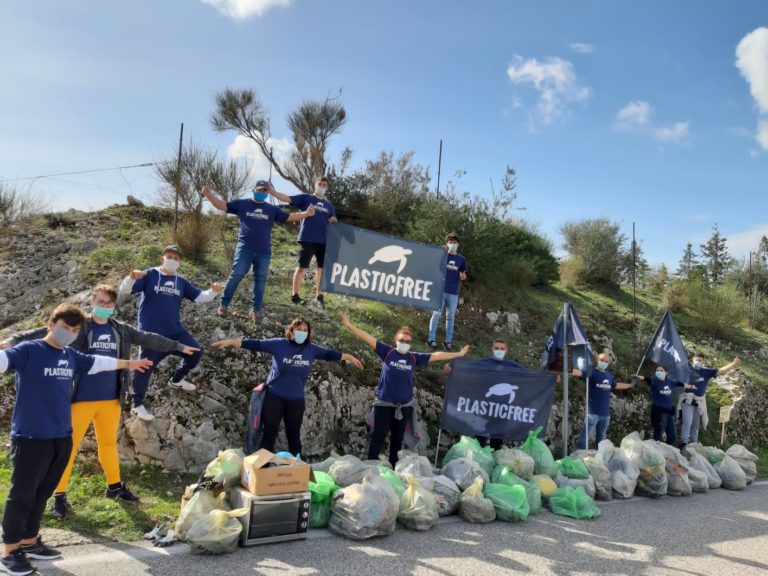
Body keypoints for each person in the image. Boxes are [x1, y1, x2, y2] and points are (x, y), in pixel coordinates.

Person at [1, 284, 199, 519]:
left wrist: (178, 347)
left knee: (107, 445)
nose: (104, 307)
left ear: (114, 306)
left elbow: (148, 338)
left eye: (109, 303)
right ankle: (59, 495)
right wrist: (12, 340)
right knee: (68, 449)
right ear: (92, 302)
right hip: (79, 399)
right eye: (100, 302)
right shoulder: (78, 326)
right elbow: (39, 334)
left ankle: (114, 487)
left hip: (111, 399)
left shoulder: (120, 329)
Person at [0, 303, 152, 576]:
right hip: (31, 437)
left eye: (73, 330)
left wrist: (129, 363)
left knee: (43, 492)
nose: (68, 333)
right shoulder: (29, 351)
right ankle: (10, 552)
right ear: (50, 324)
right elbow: (4, 360)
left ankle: (30, 541)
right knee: (22, 495)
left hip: (61, 436)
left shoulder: (71, 356)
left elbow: (99, 363)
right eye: (64, 328)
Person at [211, 318, 363, 456]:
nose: (302, 333)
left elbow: (330, 354)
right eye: (298, 329)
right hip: (274, 397)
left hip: (296, 400)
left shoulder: (311, 349)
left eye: (305, 330)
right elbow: (255, 344)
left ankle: (297, 471)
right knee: (269, 433)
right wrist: (230, 342)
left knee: (294, 435)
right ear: (291, 331)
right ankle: (263, 470)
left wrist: (350, 357)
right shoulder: (279, 344)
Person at [341, 312, 469, 467]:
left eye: (407, 341)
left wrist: (459, 353)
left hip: (404, 407)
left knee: (397, 441)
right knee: (377, 438)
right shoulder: (387, 352)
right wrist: (349, 325)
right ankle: (370, 469)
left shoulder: (413, 358)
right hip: (384, 404)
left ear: (411, 344)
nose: (404, 343)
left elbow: (437, 355)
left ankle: (394, 471)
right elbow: (367, 337)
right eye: (402, 340)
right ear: (396, 340)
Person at [117, 244, 222, 422]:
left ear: (180, 261)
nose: (172, 260)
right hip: (151, 333)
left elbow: (200, 297)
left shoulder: (181, 281)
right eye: (170, 256)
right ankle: (137, 404)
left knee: (196, 352)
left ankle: (176, 379)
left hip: (175, 331)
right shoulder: (150, 274)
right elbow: (125, 290)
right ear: (162, 258)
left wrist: (213, 291)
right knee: (144, 367)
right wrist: (130, 278)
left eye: (176, 258)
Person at [202, 181, 316, 322]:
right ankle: (223, 306)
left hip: (264, 251)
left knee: (260, 280)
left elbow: (288, 217)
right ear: (254, 190)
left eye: (265, 191)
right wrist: (209, 195)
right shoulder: (242, 204)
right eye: (260, 190)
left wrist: (306, 213)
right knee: (236, 274)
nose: (262, 192)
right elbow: (223, 206)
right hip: (245, 248)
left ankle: (255, 311)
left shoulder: (271, 209)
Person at [267, 177, 337, 309]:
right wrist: (272, 192)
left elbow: (333, 219)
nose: (322, 186)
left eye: (324, 185)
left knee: (321, 270)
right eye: (320, 184)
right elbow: (287, 198)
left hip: (324, 241)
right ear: (315, 185)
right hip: (308, 239)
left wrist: (333, 219)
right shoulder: (306, 198)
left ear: (327, 188)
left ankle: (319, 296)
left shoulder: (329, 205)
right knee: (302, 267)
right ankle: (295, 296)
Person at [573, 352, 634, 449]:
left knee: (601, 439)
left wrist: (630, 385)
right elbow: (579, 372)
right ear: (597, 360)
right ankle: (582, 457)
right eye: (602, 360)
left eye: (606, 361)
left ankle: (598, 460)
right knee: (585, 437)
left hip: (605, 415)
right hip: (592, 413)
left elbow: (617, 385)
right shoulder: (591, 372)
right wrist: (563, 368)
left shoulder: (609, 376)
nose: (604, 362)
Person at [679, 352, 740, 448]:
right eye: (696, 360)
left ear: (703, 362)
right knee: (687, 422)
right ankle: (683, 444)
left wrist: (733, 364)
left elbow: (721, 371)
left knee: (695, 425)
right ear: (692, 360)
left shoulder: (706, 372)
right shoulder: (686, 369)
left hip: (699, 402)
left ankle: (693, 445)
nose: (698, 362)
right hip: (687, 400)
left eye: (700, 361)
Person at [427, 232, 467, 351]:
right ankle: (431, 339)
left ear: (458, 244)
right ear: (447, 243)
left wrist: (463, 276)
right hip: (440, 290)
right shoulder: (442, 255)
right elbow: (434, 268)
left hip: (453, 292)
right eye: (450, 242)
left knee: (451, 318)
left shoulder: (461, 259)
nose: (452, 244)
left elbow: (463, 276)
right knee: (436, 315)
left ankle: (447, 342)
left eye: (454, 242)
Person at [635, 365, 683, 445]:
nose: (659, 372)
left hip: (670, 412)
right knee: (659, 434)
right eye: (657, 370)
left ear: (666, 373)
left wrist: (690, 385)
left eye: (661, 371)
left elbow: (678, 383)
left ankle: (667, 451)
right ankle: (656, 450)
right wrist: (638, 376)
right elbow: (646, 378)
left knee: (671, 436)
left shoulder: (669, 382)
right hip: (659, 412)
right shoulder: (654, 381)